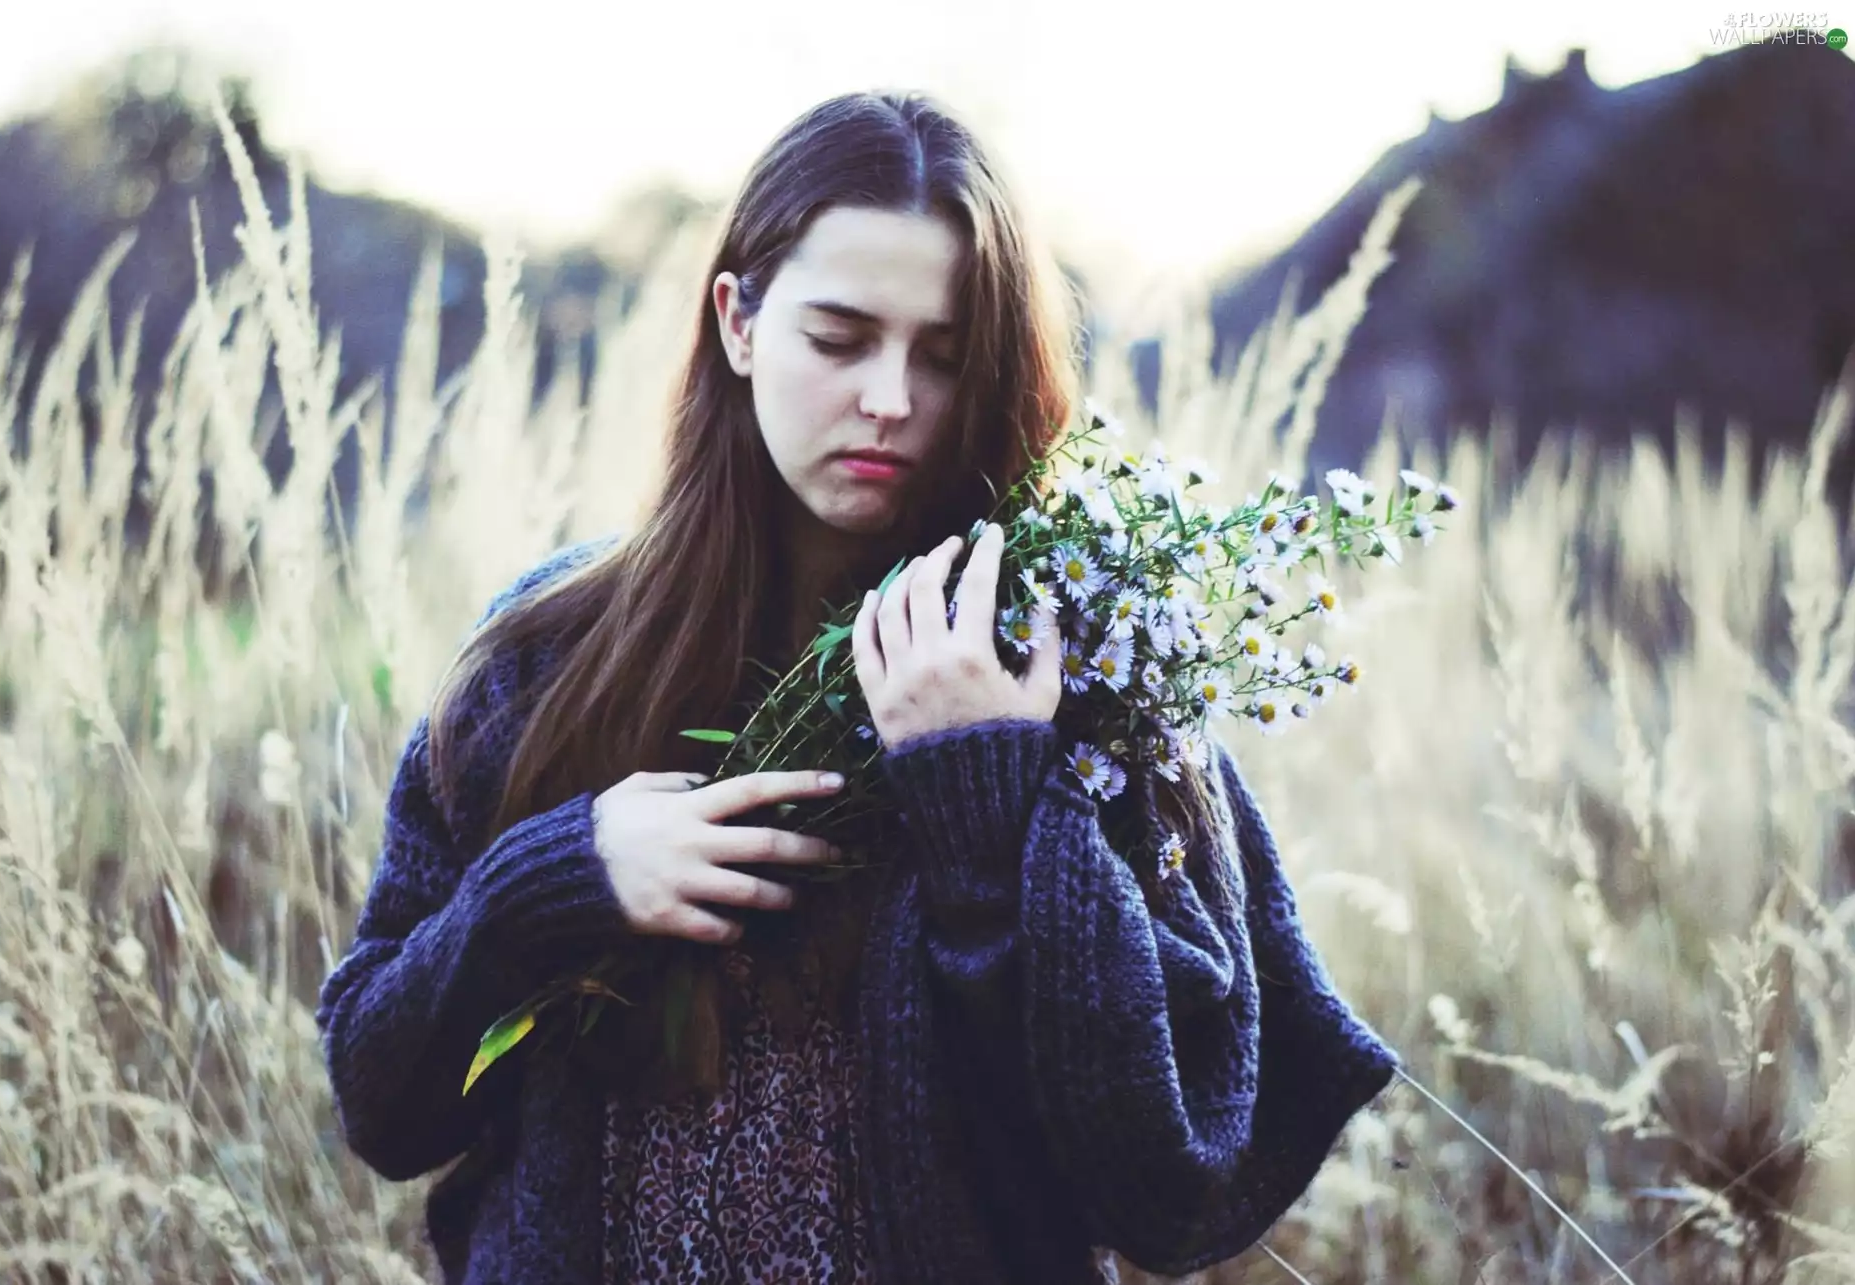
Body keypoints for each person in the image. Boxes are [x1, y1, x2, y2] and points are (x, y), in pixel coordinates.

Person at [316, 89, 1397, 1285]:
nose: (890, 399)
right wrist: (558, 882)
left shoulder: (1084, 687)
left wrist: (988, 812)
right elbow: (384, 1104)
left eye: (942, 355)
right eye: (839, 339)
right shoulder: (549, 658)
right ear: (738, 319)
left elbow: (1169, 1192)